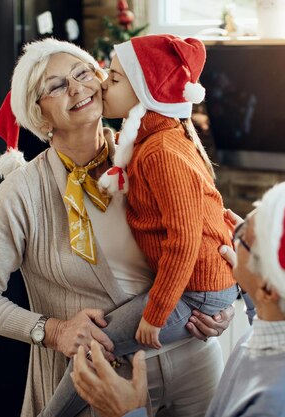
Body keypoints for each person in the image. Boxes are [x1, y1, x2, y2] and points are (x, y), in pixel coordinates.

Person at [0, 38, 234, 417]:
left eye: (82, 73)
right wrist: (53, 331)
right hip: (102, 386)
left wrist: (221, 304)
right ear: (39, 116)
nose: (77, 88)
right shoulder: (21, 194)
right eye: (55, 85)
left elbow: (205, 235)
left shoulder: (148, 154)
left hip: (195, 362)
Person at [70, 178, 285, 417]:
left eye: (243, 238)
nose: (230, 231)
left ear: (270, 288)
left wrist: (128, 412)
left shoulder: (279, 403)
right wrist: (250, 278)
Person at [39, 33, 239, 417]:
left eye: (113, 78)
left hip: (192, 294)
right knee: (93, 348)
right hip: (197, 289)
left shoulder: (160, 151)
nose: (100, 83)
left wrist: (156, 314)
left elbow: (185, 240)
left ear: (145, 90)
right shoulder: (148, 141)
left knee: (90, 347)